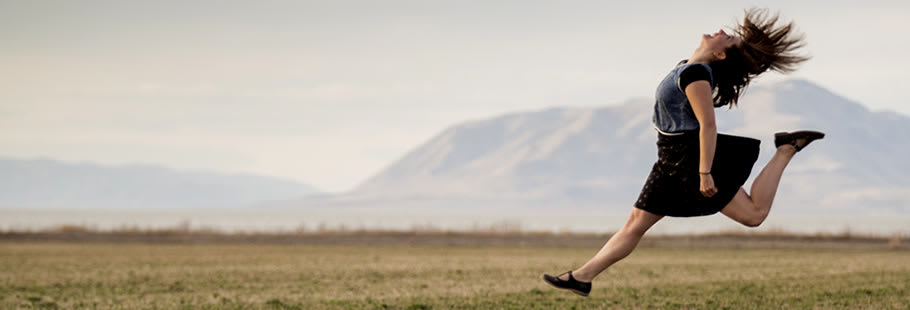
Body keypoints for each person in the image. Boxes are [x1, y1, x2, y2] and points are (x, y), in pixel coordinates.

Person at [542, 8, 825, 297]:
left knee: (753, 215)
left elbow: (708, 125)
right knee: (636, 223)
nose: (722, 32)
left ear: (721, 55)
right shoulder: (688, 67)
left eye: (727, 39)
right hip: (671, 156)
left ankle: (786, 150)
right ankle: (581, 277)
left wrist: (704, 173)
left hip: (689, 158)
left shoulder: (695, 74)